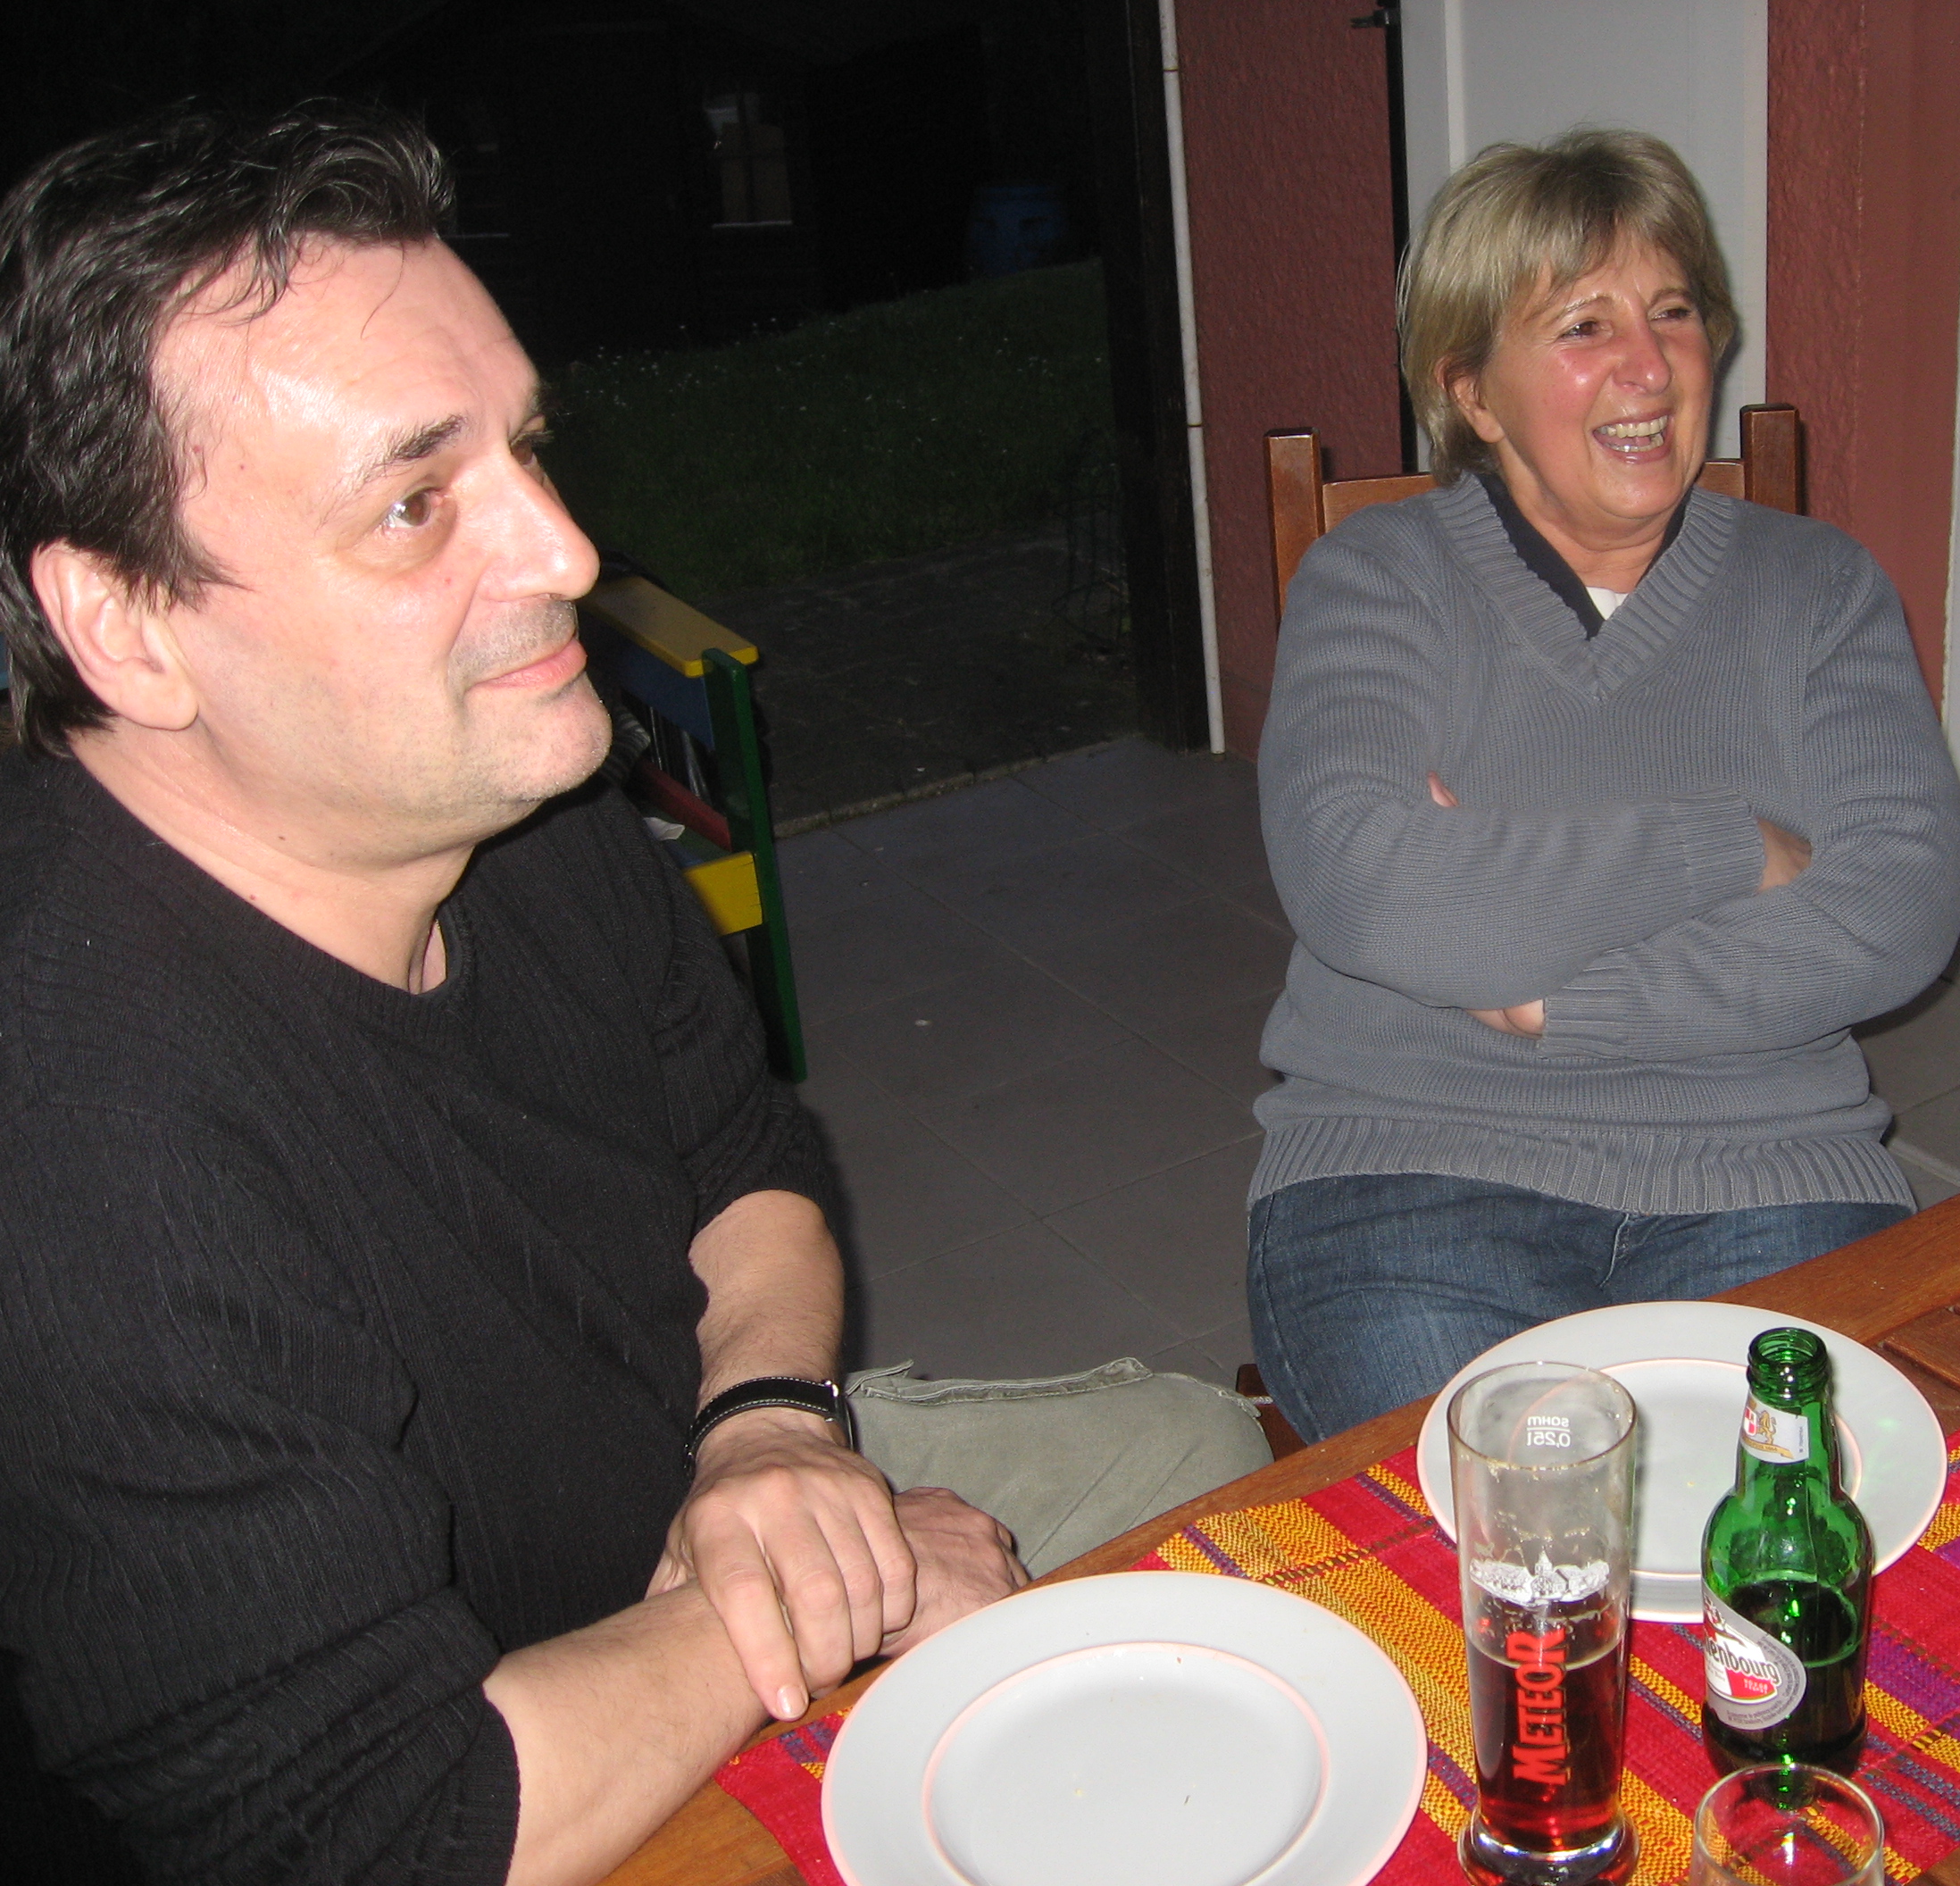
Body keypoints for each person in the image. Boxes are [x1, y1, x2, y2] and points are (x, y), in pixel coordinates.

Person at [0, 105, 1266, 1885]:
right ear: (126, 628)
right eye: (415, 503)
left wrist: (767, 1431)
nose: (565, 555)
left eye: (525, 449)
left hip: (682, 1490)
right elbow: (379, 1824)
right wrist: (821, 1594)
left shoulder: (514, 800)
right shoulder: (77, 1149)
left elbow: (750, 1161)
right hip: (486, 1763)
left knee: (1200, 1458)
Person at [1247, 129, 1960, 1442]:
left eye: (1673, 312)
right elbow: (1373, 892)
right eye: (1584, 326)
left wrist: (1552, 1000)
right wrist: (1736, 848)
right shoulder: (1376, 581)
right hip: (1413, 1165)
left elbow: (1900, 911)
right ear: (1472, 391)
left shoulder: (1818, 589)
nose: (1649, 366)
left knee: (1789, 1519)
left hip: (1769, 1162)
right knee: (1512, 1522)